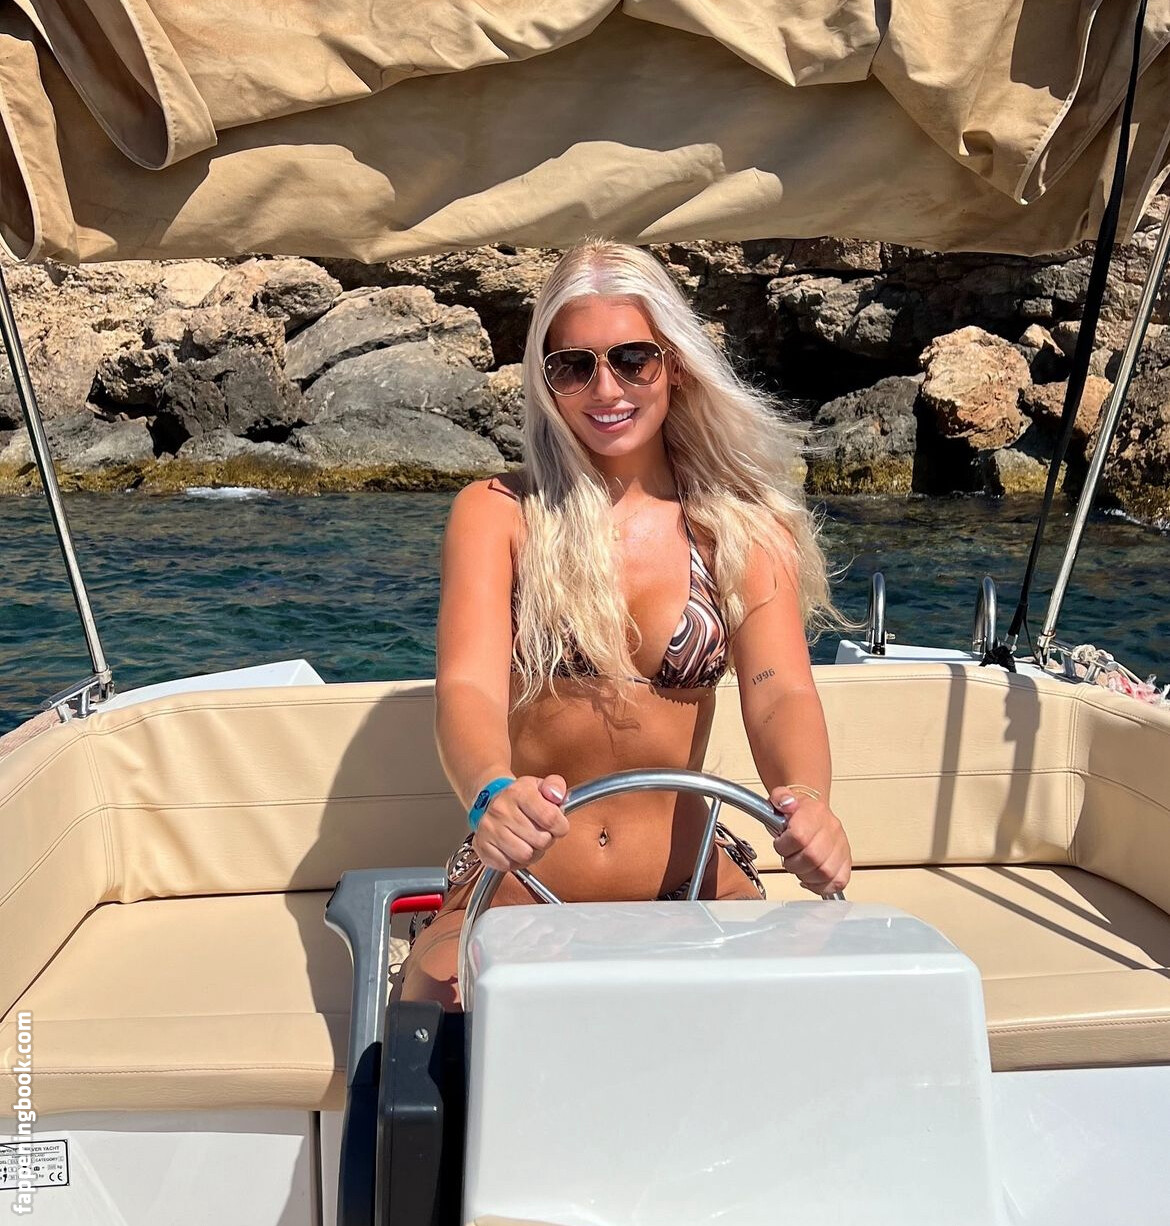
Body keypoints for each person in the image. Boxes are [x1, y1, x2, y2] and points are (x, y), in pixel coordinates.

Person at [399, 238, 851, 1009]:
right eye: (573, 366)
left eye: (633, 360)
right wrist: (489, 795)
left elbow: (781, 692)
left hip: (690, 883)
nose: (605, 388)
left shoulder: (740, 529)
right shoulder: (500, 515)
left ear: (675, 365)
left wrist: (808, 799)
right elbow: (468, 688)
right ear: (546, 382)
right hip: (522, 887)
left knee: (792, 1020)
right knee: (438, 1022)